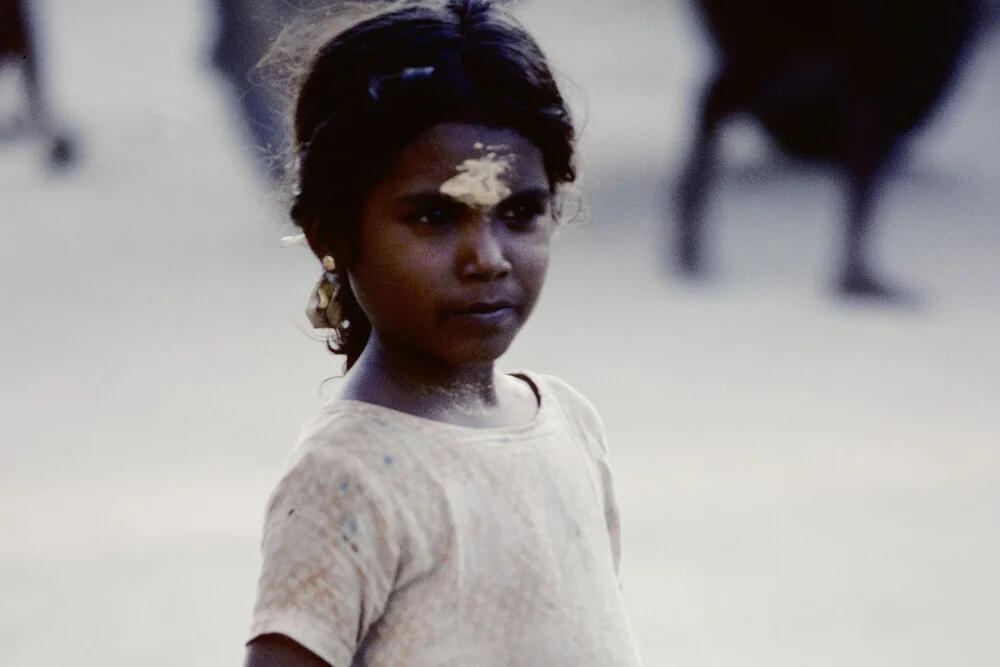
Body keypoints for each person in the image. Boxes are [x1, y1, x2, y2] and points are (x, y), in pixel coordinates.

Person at [244, 1, 644, 665]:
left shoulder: (571, 425)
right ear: (333, 236)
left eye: (519, 212)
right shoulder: (348, 475)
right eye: (433, 216)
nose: (487, 257)